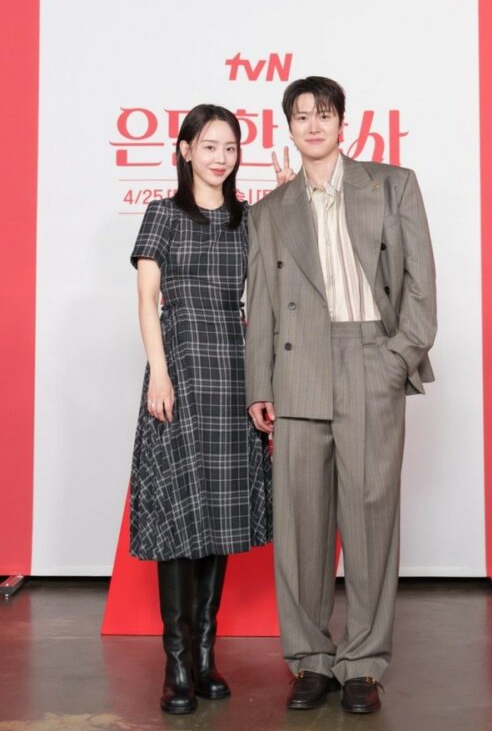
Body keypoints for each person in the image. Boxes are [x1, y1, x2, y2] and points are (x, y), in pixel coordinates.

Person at [246, 76, 436, 715]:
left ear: (342, 123)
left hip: (369, 357)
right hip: (298, 364)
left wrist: (398, 356)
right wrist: (259, 384)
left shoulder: (392, 184)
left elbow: (419, 281)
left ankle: (363, 663)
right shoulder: (270, 210)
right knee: (300, 522)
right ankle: (309, 660)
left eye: (323, 114)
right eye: (301, 116)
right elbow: (262, 304)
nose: (313, 125)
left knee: (370, 514)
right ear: (289, 128)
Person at [129, 104, 272, 715]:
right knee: (180, 513)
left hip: (235, 368)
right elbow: (147, 299)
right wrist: (159, 374)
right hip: (181, 366)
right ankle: (178, 664)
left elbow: (269, 294)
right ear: (185, 149)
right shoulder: (162, 213)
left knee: (220, 512)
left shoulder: (249, 219)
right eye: (209, 146)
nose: (221, 158)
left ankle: (207, 655)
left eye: (230, 148)